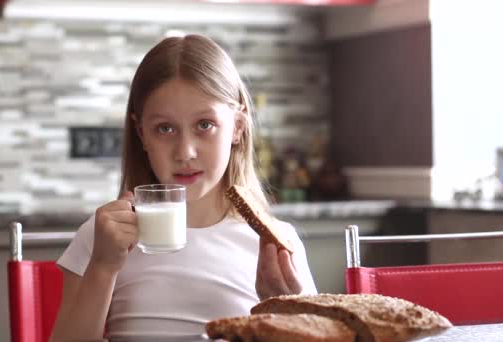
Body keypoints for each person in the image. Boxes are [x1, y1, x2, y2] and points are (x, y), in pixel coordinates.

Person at [50, 34, 317, 341]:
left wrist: (284, 312)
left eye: (205, 125)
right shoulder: (101, 238)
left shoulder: (277, 246)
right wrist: (102, 266)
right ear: (142, 135)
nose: (185, 152)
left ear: (238, 127)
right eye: (165, 128)